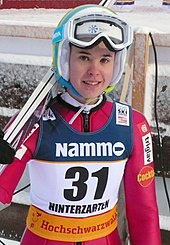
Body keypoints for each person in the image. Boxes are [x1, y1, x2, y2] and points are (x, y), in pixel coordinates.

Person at [0, 4, 161, 245]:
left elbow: (144, 213)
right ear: (64, 58)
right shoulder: (34, 121)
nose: (95, 71)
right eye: (84, 57)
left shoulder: (132, 125)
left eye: (105, 59)